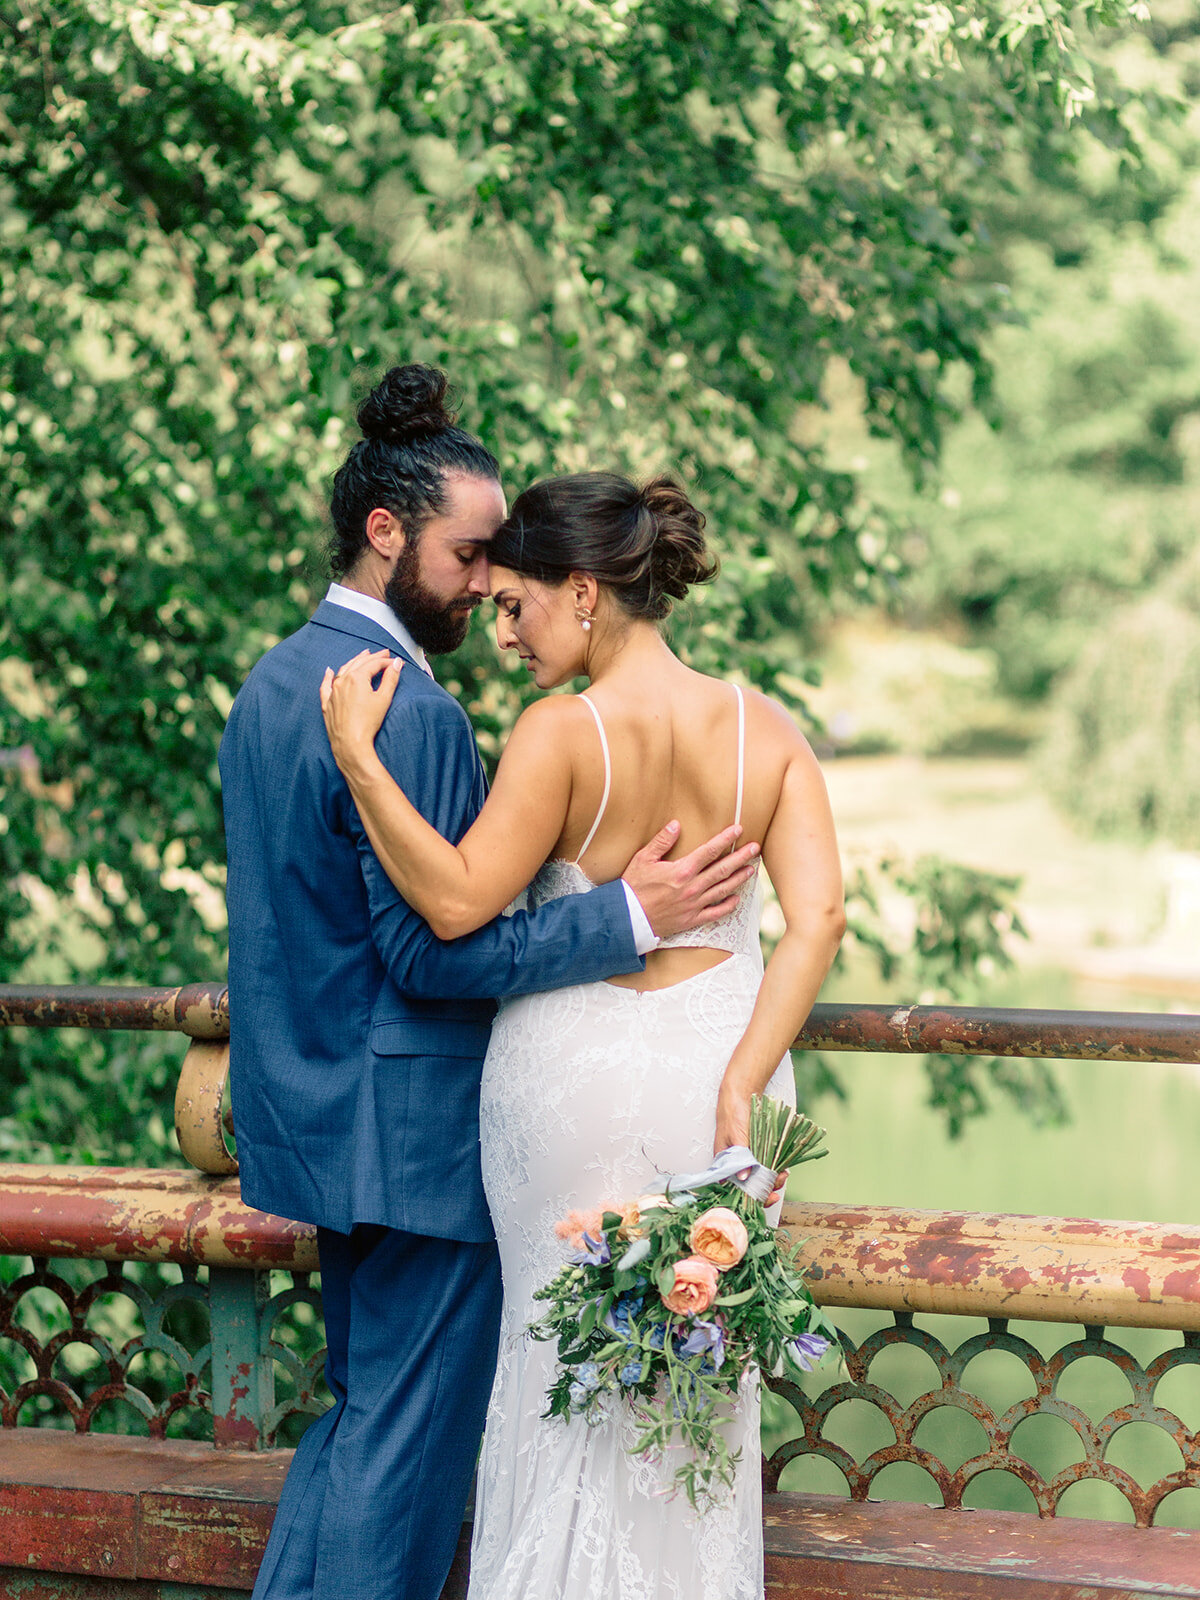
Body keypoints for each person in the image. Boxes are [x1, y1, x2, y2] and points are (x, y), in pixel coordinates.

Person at [218, 367, 760, 1600]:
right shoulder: (405, 710)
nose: (484, 584)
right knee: (399, 1471)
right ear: (386, 532)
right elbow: (428, 950)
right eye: (468, 556)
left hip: (314, 1116)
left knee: (359, 1430)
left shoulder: (270, 682)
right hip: (410, 1141)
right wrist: (626, 917)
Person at [321, 469, 846, 1599]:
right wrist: (746, 1078)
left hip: (566, 1077)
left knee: (552, 1375)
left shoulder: (560, 735)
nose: (503, 632)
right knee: (691, 1397)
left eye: (516, 605)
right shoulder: (768, 729)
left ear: (586, 593)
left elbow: (458, 902)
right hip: (713, 1071)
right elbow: (821, 918)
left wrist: (361, 760)